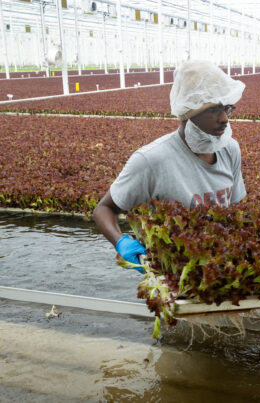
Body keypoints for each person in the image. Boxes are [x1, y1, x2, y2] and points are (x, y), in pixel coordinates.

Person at [93, 60, 247, 273]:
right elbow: (104, 209)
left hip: (222, 270)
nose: (224, 119)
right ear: (188, 112)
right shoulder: (151, 160)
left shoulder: (230, 150)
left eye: (227, 108)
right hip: (173, 273)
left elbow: (237, 209)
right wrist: (120, 241)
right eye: (213, 109)